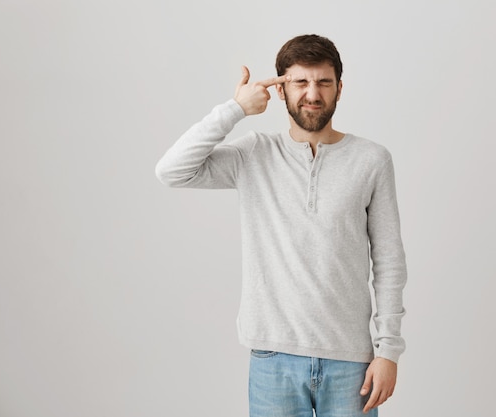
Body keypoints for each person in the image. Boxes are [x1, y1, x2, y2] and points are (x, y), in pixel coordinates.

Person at [155, 34, 407, 417]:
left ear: (340, 88)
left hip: (351, 363)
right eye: (300, 82)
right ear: (280, 88)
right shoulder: (253, 153)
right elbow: (171, 171)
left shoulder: (371, 160)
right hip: (273, 360)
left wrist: (388, 351)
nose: (312, 94)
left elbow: (389, 260)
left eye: (323, 82)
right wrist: (234, 110)